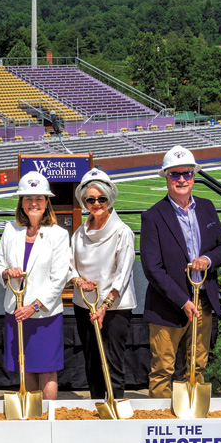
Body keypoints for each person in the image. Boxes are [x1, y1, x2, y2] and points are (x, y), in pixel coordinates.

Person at [141, 147, 221, 398]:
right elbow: (152, 268)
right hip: (169, 304)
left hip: (202, 300)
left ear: (194, 177)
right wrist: (183, 301)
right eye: (175, 174)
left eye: (187, 174)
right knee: (163, 368)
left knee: (196, 365)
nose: (182, 179)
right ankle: (160, 423)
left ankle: (193, 420)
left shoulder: (207, 207)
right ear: (166, 177)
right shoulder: (153, 216)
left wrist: (207, 259)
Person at [0, 171, 71, 400]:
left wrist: (34, 307)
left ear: (47, 202)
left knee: (47, 370)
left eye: (39, 198)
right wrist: (7, 273)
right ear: (21, 203)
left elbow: (59, 278)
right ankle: (31, 418)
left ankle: (48, 420)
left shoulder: (58, 235)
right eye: (28, 198)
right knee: (25, 367)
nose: (33, 203)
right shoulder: (10, 230)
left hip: (44, 315)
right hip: (16, 311)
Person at [68, 168, 136, 399]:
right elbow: (69, 265)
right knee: (92, 361)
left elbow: (124, 273)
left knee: (112, 362)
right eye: (90, 199)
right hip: (85, 305)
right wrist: (78, 281)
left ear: (110, 198)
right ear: (84, 202)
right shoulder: (78, 233)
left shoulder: (122, 232)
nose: (96, 204)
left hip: (114, 307)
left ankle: (114, 406)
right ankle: (98, 404)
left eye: (101, 199)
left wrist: (105, 305)